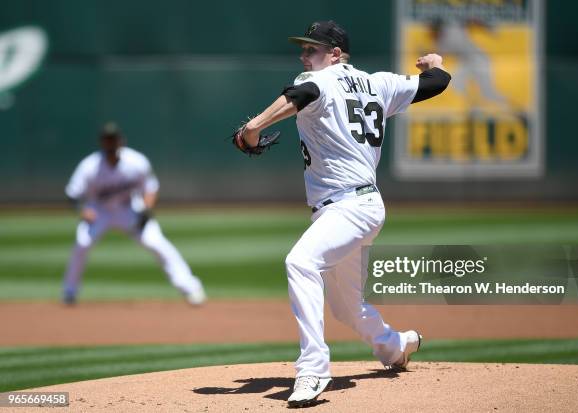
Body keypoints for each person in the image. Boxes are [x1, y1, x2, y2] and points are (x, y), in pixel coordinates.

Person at [236, 20, 451, 407]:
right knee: (346, 307)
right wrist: (434, 63)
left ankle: (313, 370)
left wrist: (253, 127)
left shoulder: (321, 78)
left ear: (335, 54)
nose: (305, 55)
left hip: (349, 207)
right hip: (358, 207)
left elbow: (301, 93)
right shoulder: (380, 83)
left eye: (313, 49)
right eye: (303, 49)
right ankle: (396, 346)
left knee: (300, 263)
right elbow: (437, 83)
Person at [62, 123, 206, 306]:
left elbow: (150, 189)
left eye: (113, 138)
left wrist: (146, 210)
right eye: (107, 139)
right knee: (82, 244)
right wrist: (83, 211)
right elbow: (72, 194)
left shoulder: (136, 161)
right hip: (99, 211)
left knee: (157, 243)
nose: (111, 142)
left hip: (128, 209)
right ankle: (69, 291)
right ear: (101, 142)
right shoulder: (89, 166)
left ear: (121, 141)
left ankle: (191, 288)